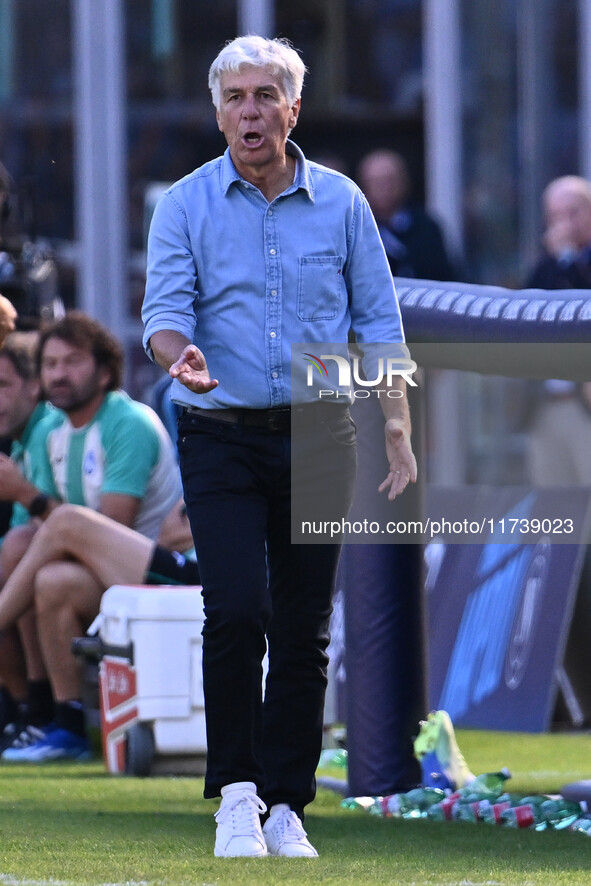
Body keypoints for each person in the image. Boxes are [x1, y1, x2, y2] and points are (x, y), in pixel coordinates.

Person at [142, 35, 417, 859]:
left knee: (303, 628)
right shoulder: (183, 204)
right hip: (219, 432)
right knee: (235, 612)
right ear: (217, 112)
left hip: (320, 434)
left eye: (266, 96)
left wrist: (396, 429)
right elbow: (162, 310)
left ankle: (286, 804)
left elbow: (378, 323)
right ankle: (234, 794)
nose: (250, 112)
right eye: (236, 98)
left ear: (292, 108)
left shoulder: (341, 204)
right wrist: (175, 354)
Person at [0, 311, 183, 762]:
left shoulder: (128, 422)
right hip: (115, 587)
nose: (59, 373)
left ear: (104, 371)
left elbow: (108, 530)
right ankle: (58, 719)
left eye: (73, 361)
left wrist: (28, 494)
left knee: (62, 525)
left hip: (167, 578)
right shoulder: (52, 433)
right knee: (36, 561)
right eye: (50, 363)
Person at [0, 502, 200, 638]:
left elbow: (171, 534)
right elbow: (169, 535)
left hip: (204, 584)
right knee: (54, 580)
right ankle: (52, 700)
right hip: (185, 567)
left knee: (66, 521)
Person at [356, 148, 458, 281]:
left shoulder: (426, 227)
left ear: (404, 182)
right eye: (375, 182)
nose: (383, 189)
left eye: (389, 180)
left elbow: (442, 275)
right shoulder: (356, 230)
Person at [525, 175, 591, 289]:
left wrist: (568, 258)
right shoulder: (547, 267)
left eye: (573, 213)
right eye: (555, 215)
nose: (565, 222)